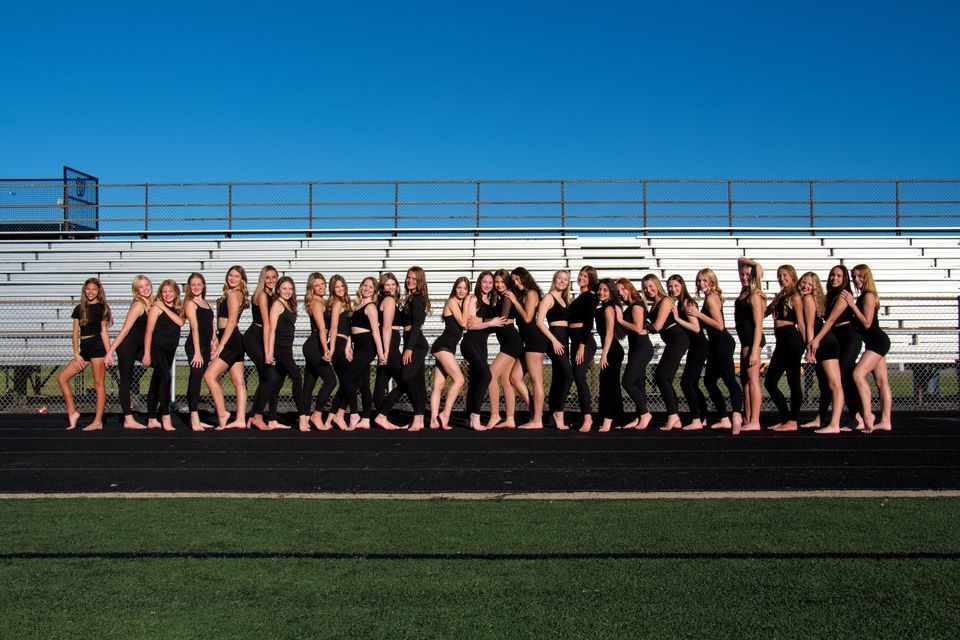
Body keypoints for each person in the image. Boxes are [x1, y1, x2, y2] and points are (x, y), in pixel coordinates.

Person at [806, 265, 863, 430]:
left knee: (844, 374)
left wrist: (816, 339)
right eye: (832, 275)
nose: (834, 278)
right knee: (834, 379)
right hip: (837, 336)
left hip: (849, 336)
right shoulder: (829, 295)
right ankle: (835, 417)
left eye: (838, 275)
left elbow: (830, 320)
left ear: (844, 278)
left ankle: (858, 416)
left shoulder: (844, 294)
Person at [687, 268, 742, 431]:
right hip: (715, 343)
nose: (701, 283)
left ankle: (736, 415)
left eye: (704, 280)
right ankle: (724, 418)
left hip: (722, 342)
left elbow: (719, 325)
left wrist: (698, 314)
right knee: (709, 381)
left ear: (712, 281)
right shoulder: (709, 297)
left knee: (729, 380)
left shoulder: (711, 298)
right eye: (698, 280)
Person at [330, 277, 385, 430]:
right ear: (361, 287)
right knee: (364, 384)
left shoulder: (371, 307)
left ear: (374, 290)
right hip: (358, 347)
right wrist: (349, 347)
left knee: (348, 377)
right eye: (365, 285)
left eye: (371, 287)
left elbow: (375, 332)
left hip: (368, 348)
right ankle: (366, 419)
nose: (367, 288)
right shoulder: (357, 305)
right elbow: (351, 331)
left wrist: (381, 354)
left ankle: (353, 413)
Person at [58, 278, 112, 431]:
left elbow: (104, 333)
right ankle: (73, 413)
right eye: (88, 289)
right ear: (84, 290)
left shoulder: (102, 308)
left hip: (97, 348)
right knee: (62, 378)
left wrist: (109, 353)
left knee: (98, 384)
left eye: (94, 289)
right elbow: (75, 333)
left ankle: (98, 421)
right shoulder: (79, 308)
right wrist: (76, 353)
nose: (91, 292)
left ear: (98, 291)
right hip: (84, 350)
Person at [846, 264, 893, 432]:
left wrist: (851, 305)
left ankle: (868, 416)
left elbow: (866, 322)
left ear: (867, 277)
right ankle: (886, 421)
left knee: (857, 374)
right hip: (874, 342)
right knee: (881, 381)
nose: (856, 280)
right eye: (854, 277)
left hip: (877, 342)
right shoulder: (863, 297)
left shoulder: (868, 296)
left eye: (860, 276)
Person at [203, 265, 249, 429]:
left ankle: (223, 413)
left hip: (231, 341)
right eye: (230, 275)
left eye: (236, 276)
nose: (232, 278)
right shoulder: (231, 294)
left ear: (242, 279)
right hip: (230, 338)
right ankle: (240, 419)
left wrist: (221, 345)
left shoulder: (235, 294)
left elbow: (231, 321)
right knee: (238, 381)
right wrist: (217, 338)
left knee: (209, 376)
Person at [799, 272, 844, 434]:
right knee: (825, 385)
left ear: (815, 287)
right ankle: (820, 418)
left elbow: (810, 326)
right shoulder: (806, 298)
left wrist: (811, 349)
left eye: (810, 284)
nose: (805, 286)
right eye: (803, 282)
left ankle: (834, 424)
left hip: (825, 344)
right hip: (821, 343)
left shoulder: (808, 299)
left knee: (834, 385)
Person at [460, 271, 506, 430]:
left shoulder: (492, 302)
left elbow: (493, 324)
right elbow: (470, 325)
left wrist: (492, 323)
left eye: (490, 283)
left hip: (482, 345)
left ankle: (468, 417)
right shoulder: (474, 299)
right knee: (486, 375)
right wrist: (490, 322)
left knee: (475, 380)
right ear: (479, 283)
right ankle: (475, 415)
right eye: (484, 282)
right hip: (470, 343)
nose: (487, 285)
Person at [643, 274, 688, 431]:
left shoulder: (666, 300)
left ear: (657, 284)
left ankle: (673, 415)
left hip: (678, 339)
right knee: (664, 377)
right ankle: (675, 416)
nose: (649, 290)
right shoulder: (653, 304)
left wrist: (647, 325)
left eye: (651, 286)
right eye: (645, 288)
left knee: (662, 377)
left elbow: (657, 327)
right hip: (671, 341)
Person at [107, 275, 152, 429]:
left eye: (147, 285)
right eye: (141, 286)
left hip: (140, 348)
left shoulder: (152, 303)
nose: (145, 288)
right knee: (126, 381)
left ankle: (152, 413)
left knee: (160, 367)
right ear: (136, 290)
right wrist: (110, 352)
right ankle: (128, 418)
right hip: (127, 346)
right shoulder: (138, 305)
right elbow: (124, 330)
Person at [764, 264, 806, 432]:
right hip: (781, 341)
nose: (782, 278)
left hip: (792, 340)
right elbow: (765, 312)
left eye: (785, 275)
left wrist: (808, 346)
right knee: (770, 382)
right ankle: (785, 417)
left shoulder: (795, 296)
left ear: (793, 277)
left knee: (793, 381)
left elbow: (802, 324)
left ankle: (793, 420)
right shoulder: (780, 295)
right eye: (779, 275)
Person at [486, 269, 527, 429]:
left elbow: (502, 319)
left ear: (508, 283)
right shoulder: (500, 297)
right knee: (506, 380)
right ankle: (510, 418)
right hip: (506, 342)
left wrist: (479, 321)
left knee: (490, 375)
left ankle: (495, 415)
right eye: (496, 282)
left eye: (502, 282)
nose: (498, 285)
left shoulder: (508, 295)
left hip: (511, 341)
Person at [668, 274, 709, 431]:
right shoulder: (679, 302)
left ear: (682, 285)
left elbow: (696, 328)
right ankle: (703, 416)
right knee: (692, 383)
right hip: (695, 346)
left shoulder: (686, 302)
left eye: (676, 286)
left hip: (700, 346)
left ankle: (696, 419)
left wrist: (678, 319)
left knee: (686, 383)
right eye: (671, 286)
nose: (673, 289)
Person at [262, 276, 304, 430]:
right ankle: (302, 418)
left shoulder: (289, 304)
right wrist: (269, 352)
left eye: (290, 289)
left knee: (277, 383)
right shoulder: (277, 304)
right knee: (297, 377)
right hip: (280, 348)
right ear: (278, 289)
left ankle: (272, 419)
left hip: (287, 348)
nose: (287, 291)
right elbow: (271, 330)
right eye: (284, 288)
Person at [508, 267, 547, 429]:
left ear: (525, 278)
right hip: (527, 341)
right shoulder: (522, 294)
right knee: (514, 377)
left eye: (518, 279)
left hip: (535, 340)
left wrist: (515, 302)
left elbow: (527, 317)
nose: (516, 283)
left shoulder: (531, 293)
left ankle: (537, 420)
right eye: (514, 281)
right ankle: (535, 410)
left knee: (536, 381)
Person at [143, 279, 185, 431]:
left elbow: (180, 322)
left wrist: (165, 308)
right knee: (166, 378)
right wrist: (147, 354)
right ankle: (165, 416)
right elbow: (148, 332)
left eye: (170, 292)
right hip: (157, 349)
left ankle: (151, 418)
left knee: (156, 382)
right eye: (164, 292)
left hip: (170, 349)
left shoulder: (179, 308)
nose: (167, 295)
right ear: (161, 293)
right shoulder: (156, 308)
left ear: (176, 293)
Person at [429, 276, 470, 430]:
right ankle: (445, 414)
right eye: (459, 287)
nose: (462, 291)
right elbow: (464, 323)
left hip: (448, 348)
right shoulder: (452, 302)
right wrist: (466, 303)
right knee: (459, 379)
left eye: (465, 288)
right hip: (443, 346)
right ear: (455, 288)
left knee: (438, 385)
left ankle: (433, 420)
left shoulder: (459, 304)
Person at [616, 278, 652, 430]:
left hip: (643, 347)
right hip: (634, 347)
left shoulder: (637, 305)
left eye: (624, 289)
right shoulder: (629, 307)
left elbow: (638, 328)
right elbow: (624, 333)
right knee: (638, 384)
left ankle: (645, 414)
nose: (621, 293)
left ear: (630, 288)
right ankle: (639, 417)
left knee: (627, 382)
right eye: (618, 292)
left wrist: (620, 320)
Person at [734, 257, 766, 434]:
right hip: (745, 340)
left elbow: (759, 325)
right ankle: (747, 416)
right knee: (745, 379)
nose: (744, 277)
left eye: (747, 274)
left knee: (753, 379)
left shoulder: (754, 294)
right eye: (742, 274)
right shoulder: (744, 291)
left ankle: (755, 419)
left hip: (753, 341)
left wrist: (754, 350)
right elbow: (740, 259)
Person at [539, 270, 573, 430]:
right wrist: (554, 341)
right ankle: (559, 412)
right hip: (555, 338)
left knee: (558, 376)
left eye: (565, 279)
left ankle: (552, 413)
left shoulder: (565, 299)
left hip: (565, 339)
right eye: (559, 278)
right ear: (554, 279)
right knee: (568, 374)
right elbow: (539, 322)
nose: (562, 281)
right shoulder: (549, 297)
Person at [301, 272, 336, 430]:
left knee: (309, 384)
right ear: (311, 288)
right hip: (315, 346)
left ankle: (305, 418)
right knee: (331, 381)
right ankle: (317, 414)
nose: (321, 287)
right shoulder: (315, 303)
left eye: (322, 284)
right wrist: (326, 349)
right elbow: (322, 329)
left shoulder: (322, 301)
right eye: (317, 285)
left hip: (315, 344)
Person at [245, 266, 279, 431]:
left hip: (259, 337)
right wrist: (268, 352)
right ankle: (258, 416)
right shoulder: (263, 295)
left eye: (274, 277)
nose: (271, 280)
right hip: (254, 338)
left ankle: (252, 417)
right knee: (271, 377)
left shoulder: (271, 294)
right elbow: (266, 325)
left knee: (265, 379)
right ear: (262, 279)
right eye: (268, 277)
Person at [372, 273, 406, 430]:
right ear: (382, 287)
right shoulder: (390, 300)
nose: (391, 287)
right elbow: (386, 327)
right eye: (387, 285)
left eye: (393, 284)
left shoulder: (387, 300)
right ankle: (382, 415)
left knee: (381, 382)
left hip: (390, 343)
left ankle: (379, 416)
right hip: (390, 343)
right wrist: (385, 352)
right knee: (405, 381)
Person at [399, 267, 431, 431]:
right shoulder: (410, 298)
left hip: (416, 343)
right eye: (408, 278)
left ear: (420, 280)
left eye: (413, 278)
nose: (409, 280)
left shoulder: (417, 298)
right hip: (411, 341)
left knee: (406, 376)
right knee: (418, 382)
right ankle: (419, 418)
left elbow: (417, 324)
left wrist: (409, 349)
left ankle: (418, 417)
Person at [183, 273, 216, 431]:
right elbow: (195, 329)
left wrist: (214, 340)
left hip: (205, 346)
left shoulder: (206, 303)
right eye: (193, 284)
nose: (196, 287)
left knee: (196, 379)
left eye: (199, 284)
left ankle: (192, 416)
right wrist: (197, 352)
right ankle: (194, 416)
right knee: (196, 377)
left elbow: (211, 324)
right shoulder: (190, 303)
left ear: (203, 286)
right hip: (194, 346)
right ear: (189, 287)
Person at [569, 266, 599, 431]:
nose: (581, 278)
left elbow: (588, 322)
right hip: (575, 340)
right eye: (580, 275)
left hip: (584, 341)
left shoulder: (590, 296)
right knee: (577, 376)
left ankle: (588, 417)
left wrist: (581, 346)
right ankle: (584, 416)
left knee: (580, 376)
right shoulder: (580, 296)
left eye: (585, 277)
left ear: (591, 280)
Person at [593, 278, 625, 432]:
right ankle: (618, 419)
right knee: (612, 385)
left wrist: (603, 355)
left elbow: (610, 333)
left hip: (612, 351)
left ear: (611, 292)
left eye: (605, 290)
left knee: (608, 385)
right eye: (599, 289)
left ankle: (608, 418)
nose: (601, 292)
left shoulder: (608, 309)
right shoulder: (605, 307)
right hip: (611, 349)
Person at [325, 274, 354, 430]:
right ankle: (338, 415)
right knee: (350, 381)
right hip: (337, 345)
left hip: (345, 344)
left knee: (345, 383)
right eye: (337, 287)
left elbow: (349, 330)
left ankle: (331, 419)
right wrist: (334, 348)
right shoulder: (336, 304)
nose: (340, 289)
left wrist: (349, 347)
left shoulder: (346, 302)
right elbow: (334, 328)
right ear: (332, 289)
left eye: (342, 286)